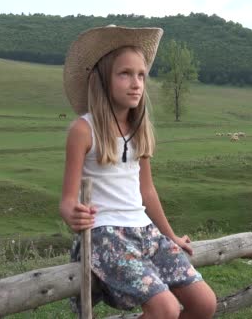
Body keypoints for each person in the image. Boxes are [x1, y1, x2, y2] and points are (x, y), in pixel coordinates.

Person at [60, 25, 217, 319]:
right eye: (125, 74)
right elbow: (67, 200)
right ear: (101, 80)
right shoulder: (83, 130)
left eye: (141, 75)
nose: (136, 83)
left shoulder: (139, 131)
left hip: (145, 230)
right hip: (106, 234)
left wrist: (170, 236)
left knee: (204, 303)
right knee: (166, 308)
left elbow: (147, 192)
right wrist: (72, 213)